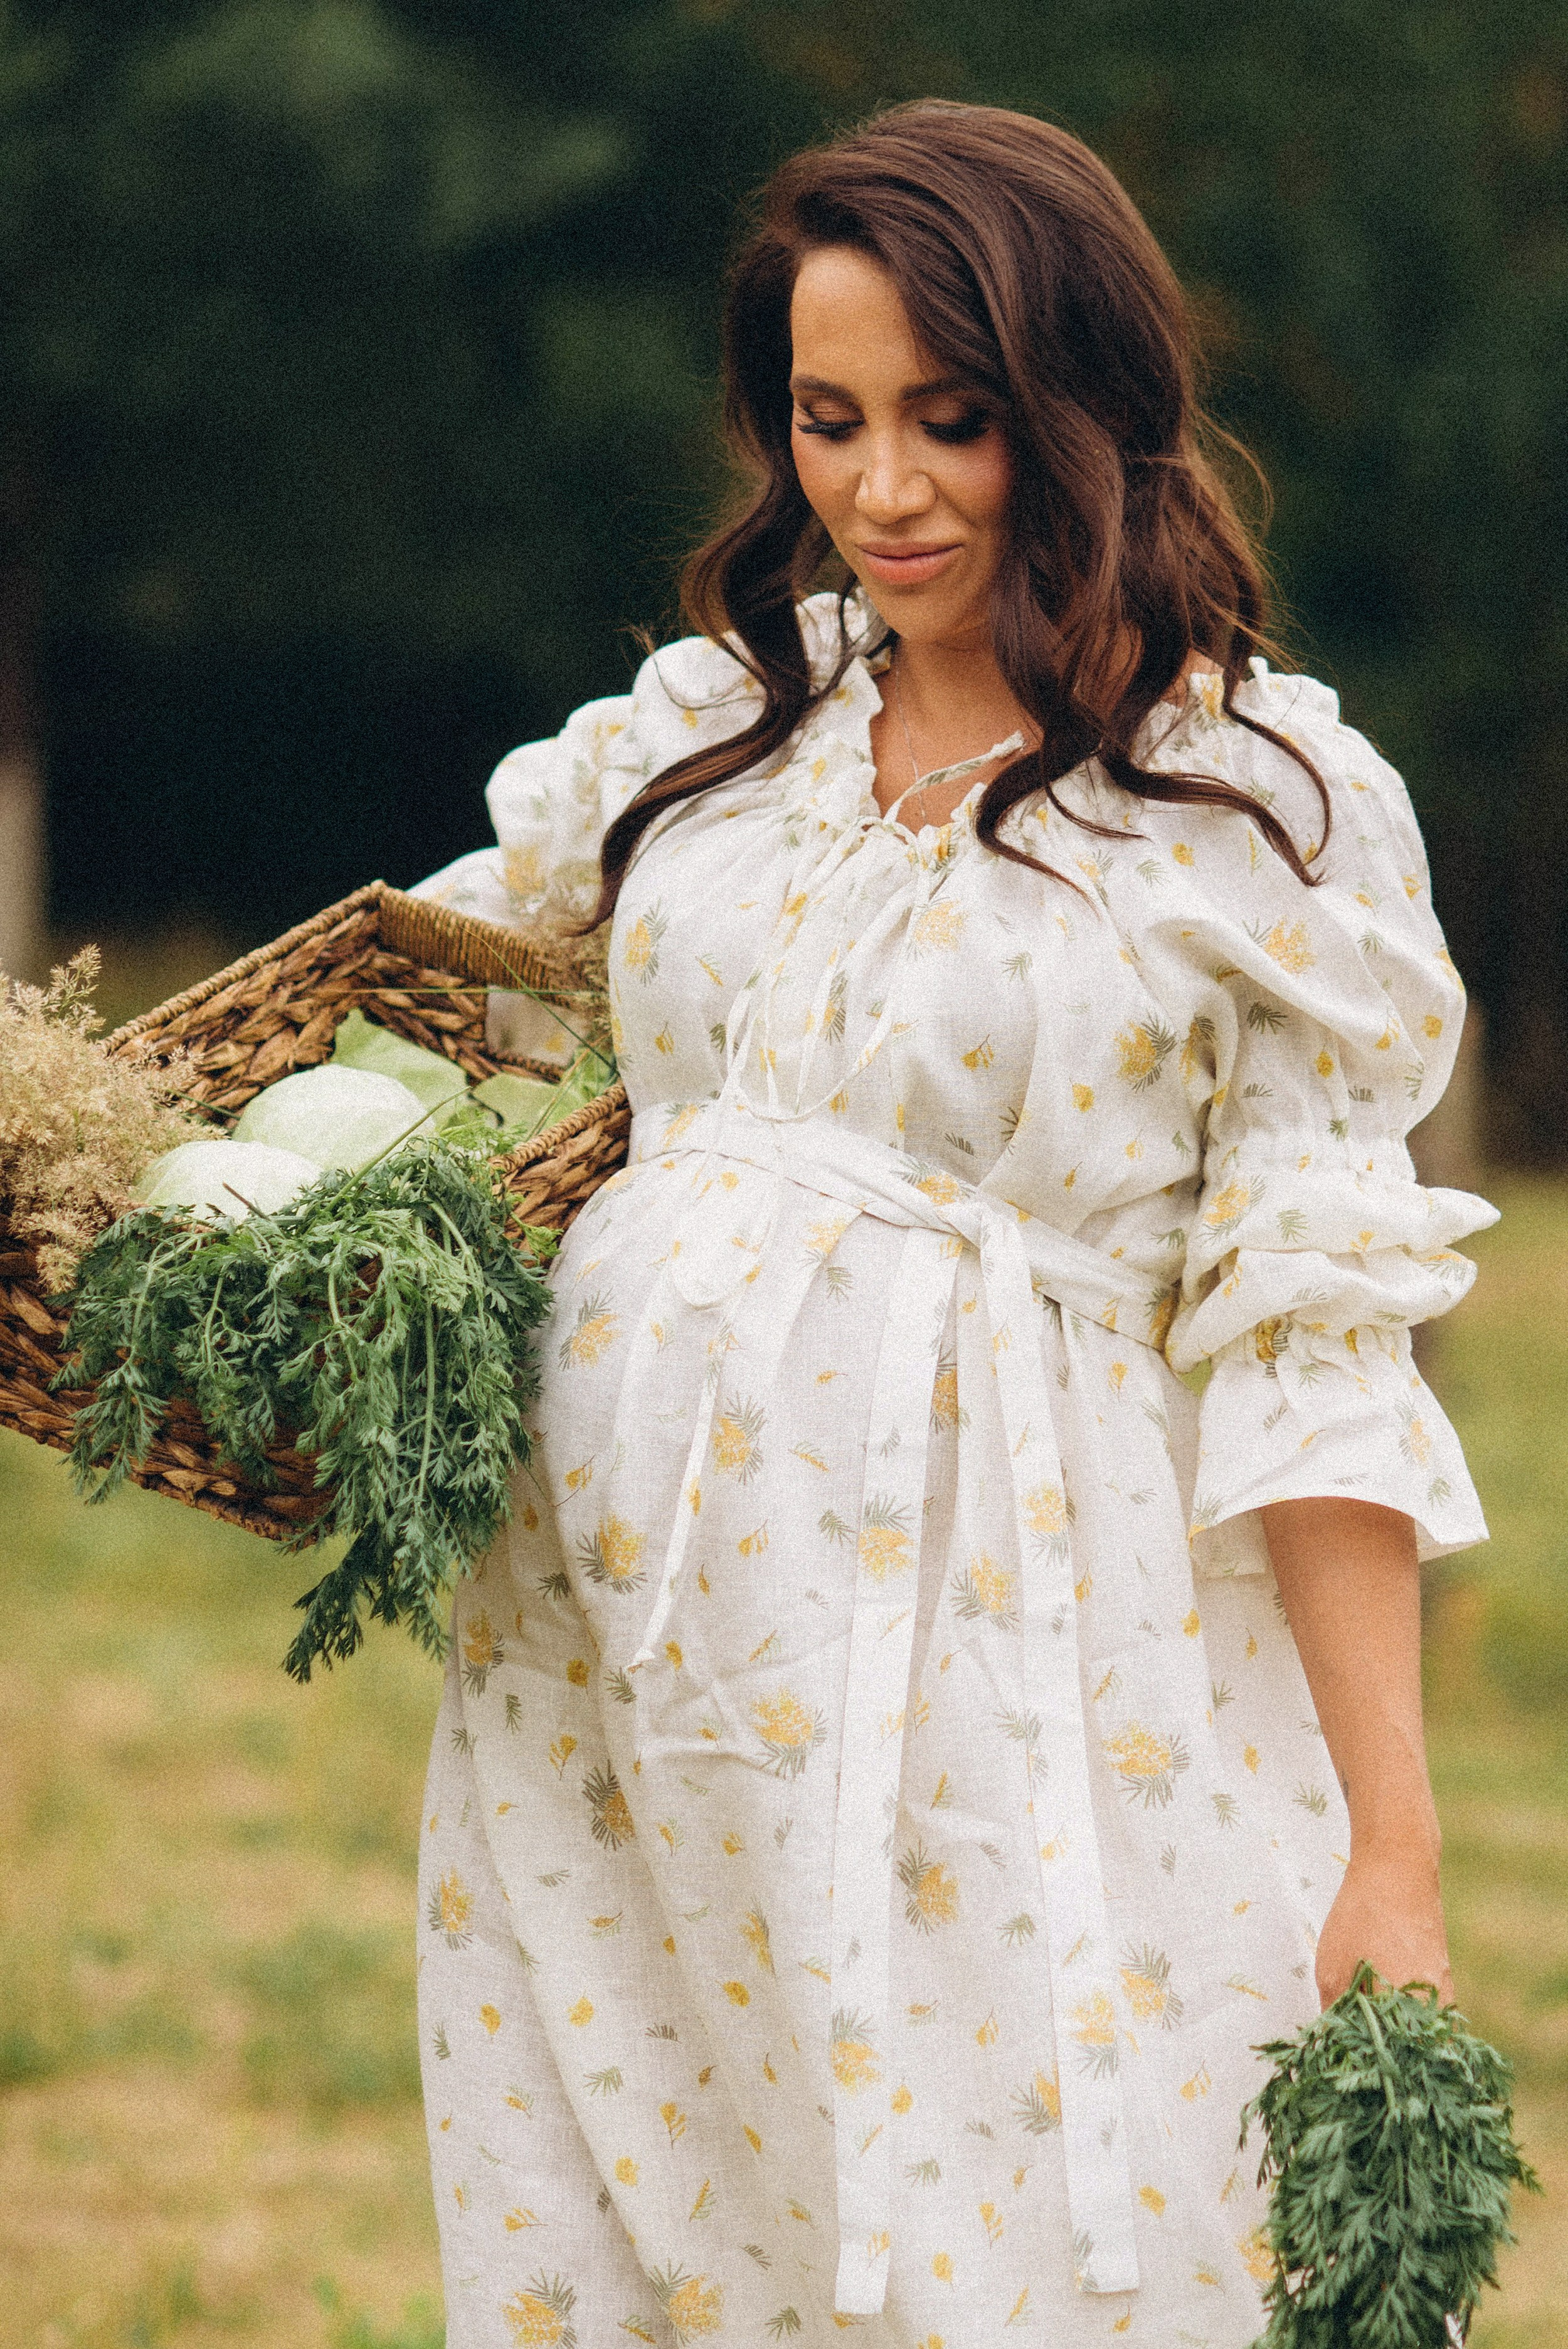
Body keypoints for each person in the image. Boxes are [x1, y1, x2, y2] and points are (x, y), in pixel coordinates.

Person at [411, 100, 1493, 2348]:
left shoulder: (1249, 813)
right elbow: (412, 1017)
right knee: (660, 2225)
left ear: (1080, 414)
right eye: (827, 419)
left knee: (1026, 2245)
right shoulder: (712, 736)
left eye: (951, 420)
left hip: (1022, 1651)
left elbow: (1312, 1336)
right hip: (623, 1652)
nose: (880, 488)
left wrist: (1389, 1846)